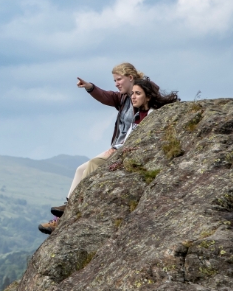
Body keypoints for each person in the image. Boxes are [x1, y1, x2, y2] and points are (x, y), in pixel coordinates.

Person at [38, 73, 179, 235]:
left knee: (92, 165)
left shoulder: (152, 116)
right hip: (120, 153)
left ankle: (70, 211)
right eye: (132, 93)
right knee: (80, 169)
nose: (133, 97)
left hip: (126, 157)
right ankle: (67, 208)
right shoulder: (136, 116)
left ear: (148, 97)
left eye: (137, 94)